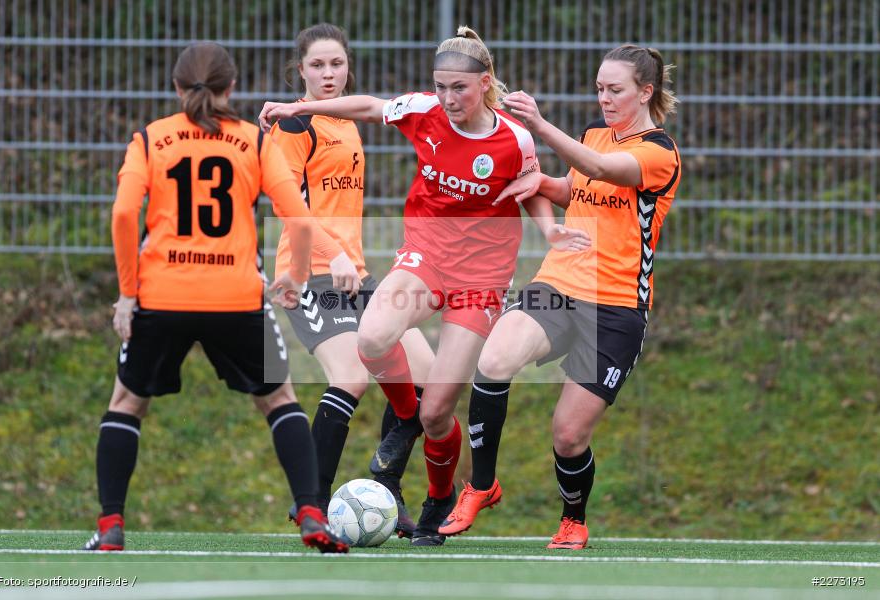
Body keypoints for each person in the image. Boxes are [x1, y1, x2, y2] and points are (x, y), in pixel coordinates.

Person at [260, 27, 589, 546]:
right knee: (372, 340)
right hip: (425, 257)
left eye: (459, 88)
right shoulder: (422, 112)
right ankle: (368, 459)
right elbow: (370, 107)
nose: (448, 99)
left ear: (485, 84)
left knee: (438, 412)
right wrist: (294, 107)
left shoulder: (513, 138)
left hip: (481, 279)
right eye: (440, 87)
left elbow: (531, 186)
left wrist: (549, 230)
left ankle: (438, 497)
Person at [84, 42, 347, 554]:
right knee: (279, 399)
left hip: (162, 295)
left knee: (127, 402)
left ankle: (111, 525)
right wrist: (293, 277)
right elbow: (297, 215)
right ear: (232, 88)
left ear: (178, 89)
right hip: (236, 295)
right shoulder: (253, 141)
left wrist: (126, 294)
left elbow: (122, 216)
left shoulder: (151, 138)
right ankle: (312, 513)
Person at [438, 45, 682, 550]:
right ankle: (481, 485)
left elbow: (605, 169)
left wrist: (540, 127)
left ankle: (574, 518)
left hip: (616, 307)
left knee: (568, 436)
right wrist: (538, 181)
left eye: (615, 90)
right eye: (599, 88)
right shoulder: (595, 133)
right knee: (496, 356)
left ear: (645, 92)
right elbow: (579, 188)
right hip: (561, 284)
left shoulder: (659, 152)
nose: (605, 98)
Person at [269, 23, 435, 537]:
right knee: (351, 377)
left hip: (355, 275)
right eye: (317, 65)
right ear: (300, 71)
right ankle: (311, 503)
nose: (327, 74)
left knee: (430, 383)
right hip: (308, 274)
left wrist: (349, 260)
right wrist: (333, 254)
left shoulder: (346, 122)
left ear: (348, 69)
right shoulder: (294, 127)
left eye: (336, 64)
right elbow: (288, 206)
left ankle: (387, 484)